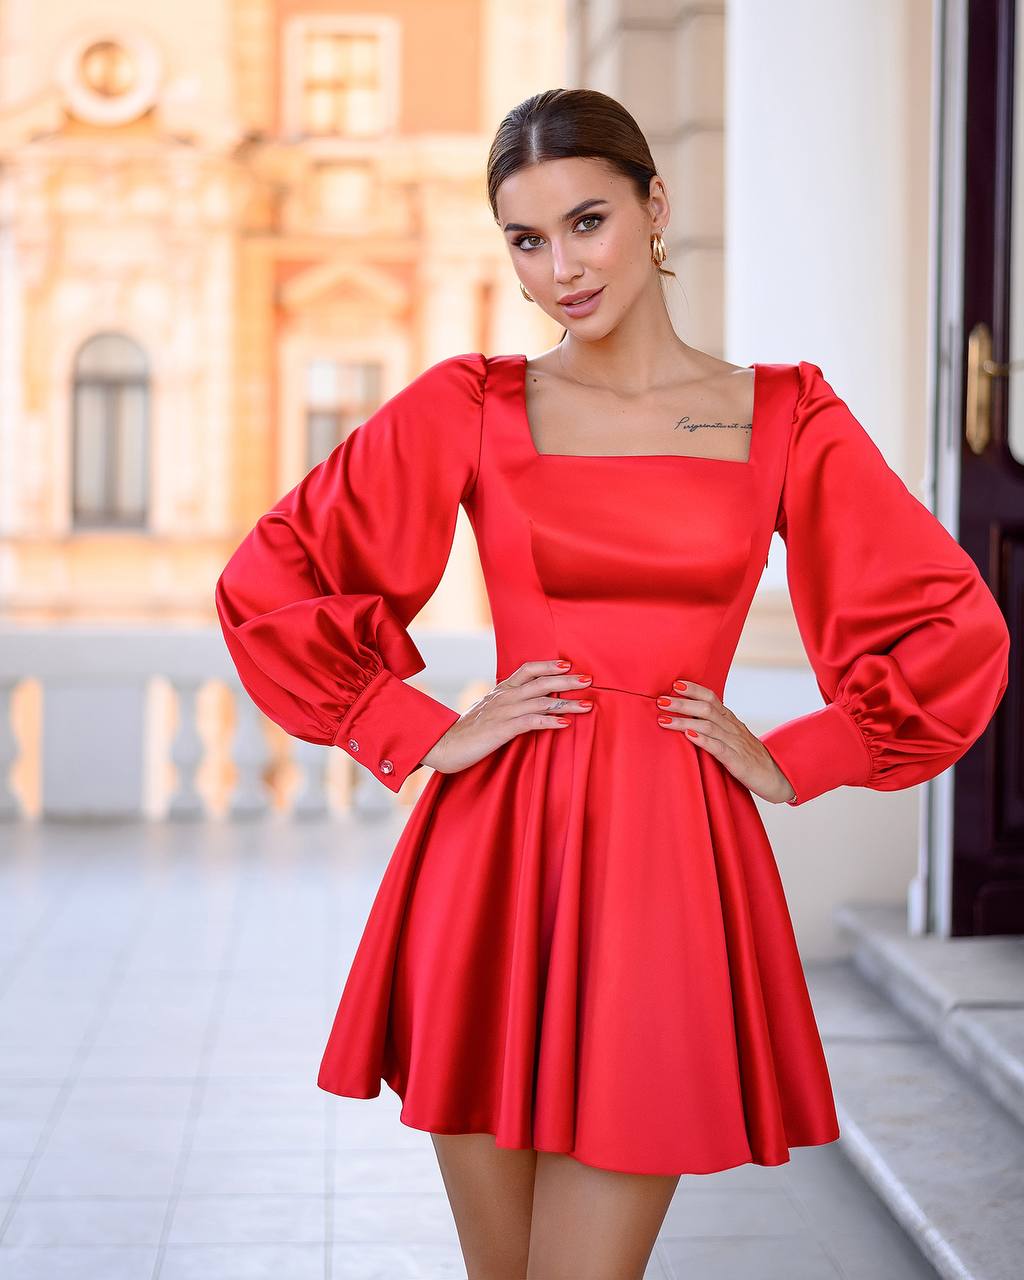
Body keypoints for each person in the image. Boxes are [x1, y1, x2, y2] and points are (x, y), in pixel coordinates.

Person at [214, 88, 1011, 1280]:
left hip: (667, 860)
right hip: (490, 859)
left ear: (654, 206)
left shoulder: (785, 414)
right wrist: (416, 726)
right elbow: (270, 578)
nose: (561, 269)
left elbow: (953, 623)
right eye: (526, 240)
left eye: (585, 222)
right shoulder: (472, 403)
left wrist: (799, 753)